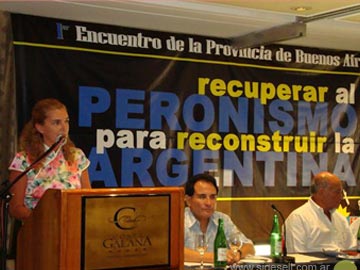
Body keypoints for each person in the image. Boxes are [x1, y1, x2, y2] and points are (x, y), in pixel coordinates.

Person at [8, 98, 91, 220]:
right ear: (40, 128)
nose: (64, 128)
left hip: (73, 228)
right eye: (56, 123)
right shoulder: (24, 160)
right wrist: (45, 220)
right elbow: (15, 208)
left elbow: (88, 200)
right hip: (39, 231)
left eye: (66, 121)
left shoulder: (76, 156)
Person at [184, 173, 255, 265]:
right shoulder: (178, 220)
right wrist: (215, 257)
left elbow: (249, 246)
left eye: (213, 197)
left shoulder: (222, 219)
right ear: (188, 200)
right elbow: (171, 252)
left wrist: (238, 254)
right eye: (202, 197)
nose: (209, 203)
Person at [285, 171, 355, 253]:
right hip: (314, 265)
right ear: (321, 193)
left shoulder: (340, 219)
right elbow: (297, 257)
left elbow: (351, 249)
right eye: (337, 192)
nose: (341, 197)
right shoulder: (299, 218)